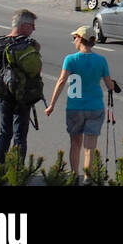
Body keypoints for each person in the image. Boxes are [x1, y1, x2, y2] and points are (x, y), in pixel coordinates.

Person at [45, 25, 114, 183]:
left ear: (80, 39)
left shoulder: (71, 59)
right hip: (95, 107)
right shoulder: (101, 60)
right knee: (90, 146)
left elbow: (62, 81)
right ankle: (88, 178)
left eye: (74, 38)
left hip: (75, 107)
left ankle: (74, 175)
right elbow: (109, 84)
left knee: (75, 143)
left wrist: (52, 104)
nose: (73, 40)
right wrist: (112, 86)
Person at [0, 9, 42, 161]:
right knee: (20, 136)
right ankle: (17, 173)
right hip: (22, 95)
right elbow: (36, 70)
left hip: (2, 95)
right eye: (32, 25)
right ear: (23, 26)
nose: (34, 29)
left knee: (4, 133)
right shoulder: (29, 45)